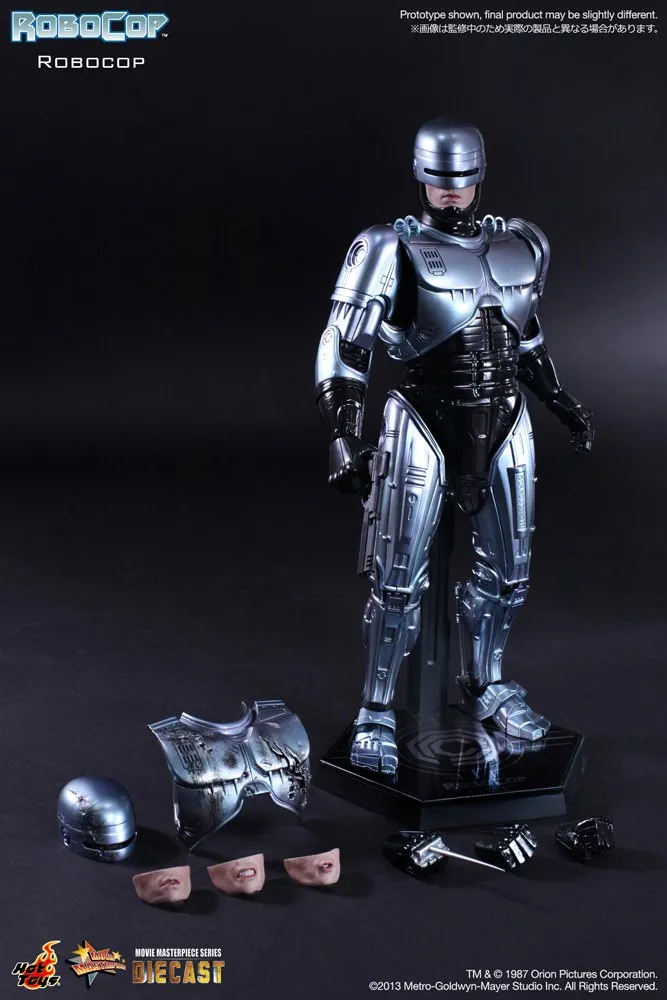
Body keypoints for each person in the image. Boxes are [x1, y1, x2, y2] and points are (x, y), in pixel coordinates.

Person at [315, 118, 593, 777]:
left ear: (479, 177)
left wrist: (560, 400)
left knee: (509, 575)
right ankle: (377, 708)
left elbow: (525, 339)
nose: (450, 192)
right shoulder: (389, 247)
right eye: (439, 180)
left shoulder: (520, 244)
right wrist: (343, 435)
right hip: (422, 414)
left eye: (461, 181)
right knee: (396, 580)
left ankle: (485, 682)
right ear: (421, 177)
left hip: (504, 417)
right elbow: (344, 345)